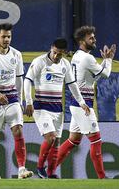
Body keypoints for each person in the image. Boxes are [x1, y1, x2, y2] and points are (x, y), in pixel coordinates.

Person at [23, 38, 90, 178]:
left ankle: (50, 173)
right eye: (54, 52)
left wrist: (82, 102)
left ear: (64, 53)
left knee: (56, 142)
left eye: (59, 54)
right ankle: (40, 168)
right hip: (41, 107)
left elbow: (72, 85)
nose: (55, 56)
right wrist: (28, 101)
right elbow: (28, 80)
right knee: (51, 138)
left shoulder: (65, 65)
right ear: (51, 48)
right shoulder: (39, 62)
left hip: (57, 108)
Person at [56, 26, 116, 179]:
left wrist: (104, 62)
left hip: (75, 103)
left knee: (73, 140)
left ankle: (47, 170)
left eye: (94, 37)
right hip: (83, 106)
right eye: (91, 38)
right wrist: (108, 60)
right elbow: (106, 75)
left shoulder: (78, 55)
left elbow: (93, 77)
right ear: (82, 41)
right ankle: (103, 178)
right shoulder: (87, 58)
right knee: (96, 140)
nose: (94, 40)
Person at [0, 23, 33, 179]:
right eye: (3, 36)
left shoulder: (16, 54)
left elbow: (19, 80)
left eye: (9, 36)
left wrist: (21, 101)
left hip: (11, 99)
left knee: (18, 129)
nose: (6, 39)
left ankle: (22, 169)